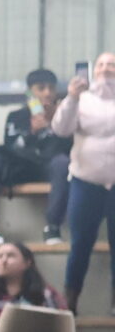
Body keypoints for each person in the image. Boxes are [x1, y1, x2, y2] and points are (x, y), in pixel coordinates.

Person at [0, 67, 69, 241]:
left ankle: (53, 227)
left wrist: (56, 124)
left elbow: (69, 149)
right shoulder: (16, 116)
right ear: (30, 92)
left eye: (51, 88)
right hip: (22, 166)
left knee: (62, 163)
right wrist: (31, 133)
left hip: (50, 166)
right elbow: (11, 147)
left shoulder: (65, 116)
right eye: (41, 88)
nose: (47, 93)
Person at [58, 54, 115, 310]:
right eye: (102, 64)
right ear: (94, 71)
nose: (106, 69)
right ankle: (70, 301)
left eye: (112, 65)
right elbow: (61, 129)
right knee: (80, 244)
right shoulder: (81, 99)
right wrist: (71, 97)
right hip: (85, 182)